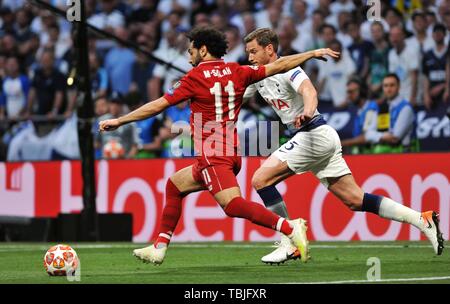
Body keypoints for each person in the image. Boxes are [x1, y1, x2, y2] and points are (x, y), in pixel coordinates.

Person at [99, 26, 340, 265]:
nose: (188, 55)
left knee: (232, 205)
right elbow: (279, 65)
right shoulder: (238, 71)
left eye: (191, 50)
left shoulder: (193, 78)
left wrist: (120, 120)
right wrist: (310, 53)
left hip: (213, 154)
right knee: (174, 186)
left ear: (203, 50)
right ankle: (159, 247)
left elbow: (158, 105)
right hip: (229, 152)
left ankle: (290, 226)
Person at [242, 28, 444, 264]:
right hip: (319, 138)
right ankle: (422, 219)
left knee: (260, 179)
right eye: (248, 52)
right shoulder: (258, 76)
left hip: (312, 133)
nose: (250, 57)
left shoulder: (290, 69)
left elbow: (309, 90)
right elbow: (234, 95)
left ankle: (290, 241)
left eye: (254, 51)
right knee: (355, 200)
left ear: (269, 49)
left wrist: (307, 111)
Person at [340, 78, 379, 154]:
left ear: (362, 92)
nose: (349, 96)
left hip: (373, 154)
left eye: (351, 92)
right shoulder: (358, 110)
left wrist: (342, 143)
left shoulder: (371, 108)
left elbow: (367, 137)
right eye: (348, 92)